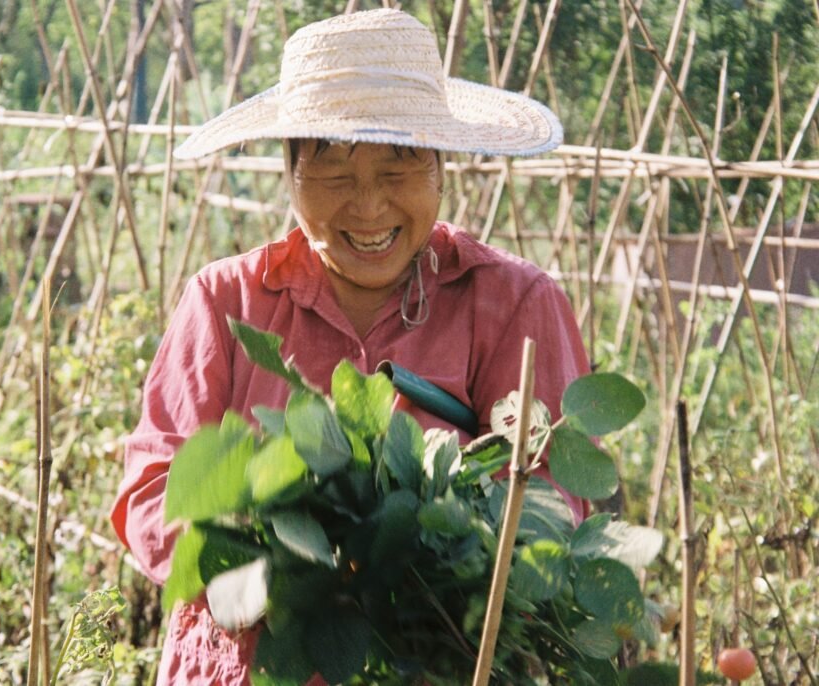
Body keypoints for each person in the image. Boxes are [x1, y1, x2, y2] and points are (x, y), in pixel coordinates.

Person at [111, 8, 590, 685]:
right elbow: (152, 489)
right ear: (290, 173)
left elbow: (553, 497)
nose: (368, 206)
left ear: (441, 167)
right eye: (334, 172)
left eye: (399, 169)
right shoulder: (228, 305)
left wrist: (429, 560)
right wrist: (270, 567)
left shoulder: (513, 306)